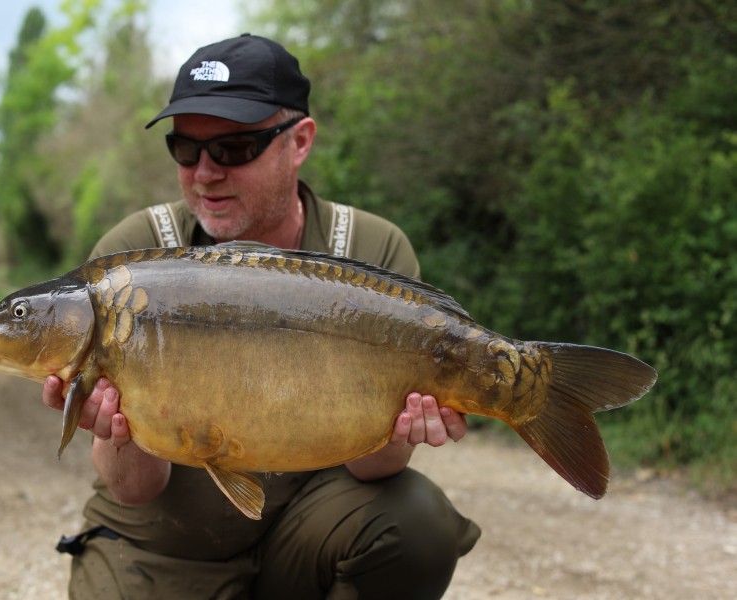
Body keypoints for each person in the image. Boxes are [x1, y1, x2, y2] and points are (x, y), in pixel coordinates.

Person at [43, 33, 480, 599]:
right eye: (185, 149)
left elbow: (372, 471)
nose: (204, 173)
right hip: (161, 545)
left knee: (416, 519)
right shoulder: (134, 261)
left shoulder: (369, 250)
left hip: (304, 540)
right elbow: (133, 489)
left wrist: (400, 428)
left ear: (299, 142)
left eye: (232, 148)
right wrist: (115, 426)